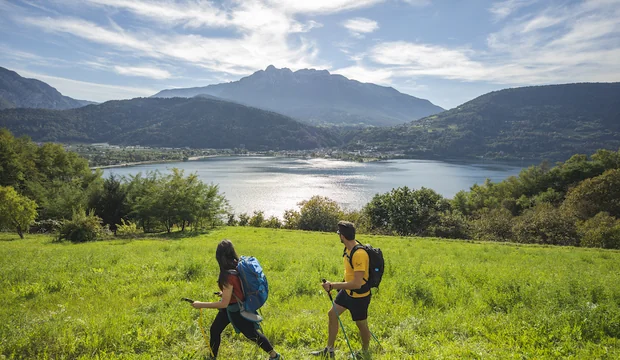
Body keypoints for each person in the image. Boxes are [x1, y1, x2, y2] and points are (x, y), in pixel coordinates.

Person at [190, 239, 281, 360]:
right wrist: (224, 293)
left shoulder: (227, 275)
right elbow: (239, 286)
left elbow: (223, 303)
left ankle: (275, 356)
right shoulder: (237, 264)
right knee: (215, 330)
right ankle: (212, 357)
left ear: (219, 256)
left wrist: (200, 304)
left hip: (236, 310)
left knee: (252, 334)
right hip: (231, 308)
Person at [311, 221, 372, 359]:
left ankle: (365, 351)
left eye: (339, 233)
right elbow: (349, 275)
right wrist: (340, 287)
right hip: (347, 293)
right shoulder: (347, 249)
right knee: (332, 314)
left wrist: (333, 285)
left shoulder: (359, 254)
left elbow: (357, 284)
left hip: (359, 296)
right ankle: (329, 349)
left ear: (342, 236)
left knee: (361, 325)